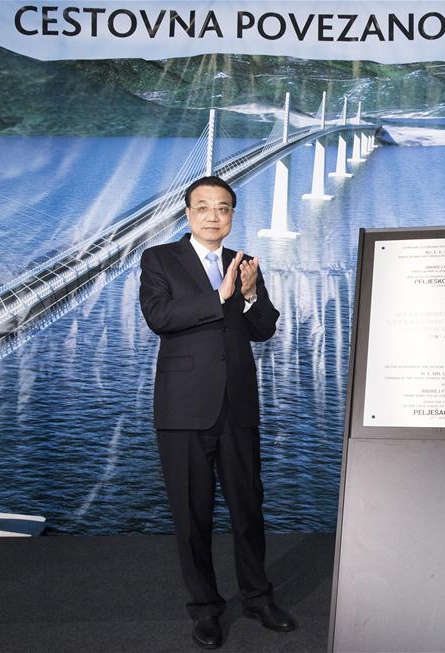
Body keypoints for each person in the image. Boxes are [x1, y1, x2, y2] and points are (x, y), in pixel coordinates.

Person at [139, 176, 295, 650]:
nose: (213, 216)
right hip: (183, 410)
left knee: (248, 510)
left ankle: (258, 598)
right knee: (193, 517)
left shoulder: (243, 263)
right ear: (188, 214)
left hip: (237, 407)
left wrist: (249, 295)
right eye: (203, 207)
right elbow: (159, 318)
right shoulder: (159, 259)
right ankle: (205, 609)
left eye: (223, 208)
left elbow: (263, 330)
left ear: (231, 216)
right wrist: (220, 296)